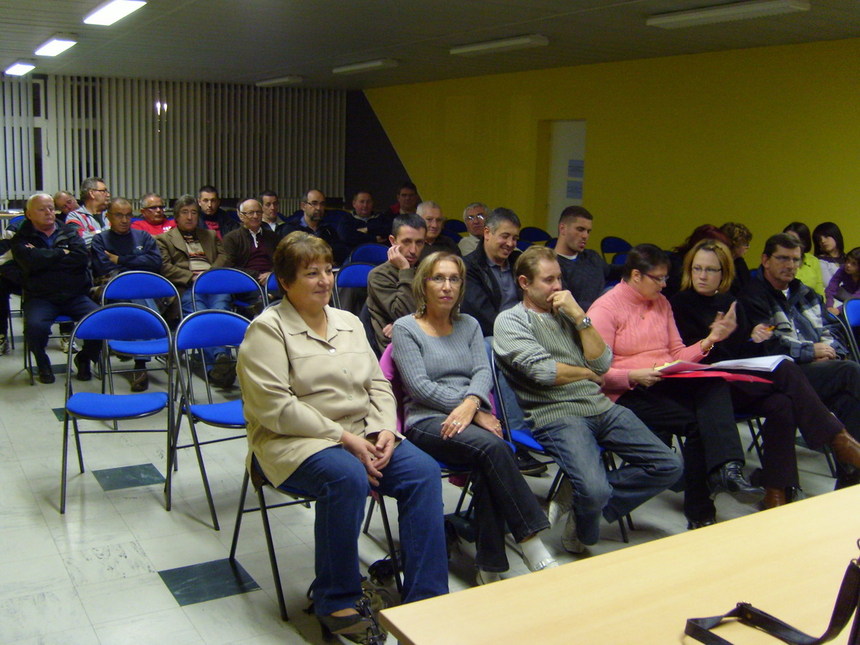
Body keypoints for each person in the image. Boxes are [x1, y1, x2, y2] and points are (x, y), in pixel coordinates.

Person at [236, 232, 448, 639]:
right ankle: (336, 598)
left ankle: (426, 595)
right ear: (285, 282)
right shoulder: (267, 330)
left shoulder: (348, 322)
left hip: (361, 433)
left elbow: (378, 384)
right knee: (346, 476)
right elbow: (275, 408)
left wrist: (384, 428)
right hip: (291, 442)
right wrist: (342, 438)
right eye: (311, 273)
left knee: (421, 471)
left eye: (328, 271)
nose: (324, 281)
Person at [494, 246, 683, 550]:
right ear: (524, 283)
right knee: (595, 490)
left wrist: (581, 317)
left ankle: (581, 502)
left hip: (600, 407)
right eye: (548, 280)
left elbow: (603, 363)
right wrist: (587, 373)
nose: (557, 287)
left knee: (669, 466)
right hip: (555, 414)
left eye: (559, 278)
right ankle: (586, 507)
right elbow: (544, 372)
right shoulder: (510, 321)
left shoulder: (570, 314)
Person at [393, 251, 557, 583]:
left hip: (469, 417)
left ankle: (490, 567)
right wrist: (474, 411)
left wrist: (471, 406)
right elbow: (420, 388)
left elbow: (483, 373)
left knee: (488, 464)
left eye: (454, 279)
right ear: (423, 284)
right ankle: (530, 540)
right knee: (496, 449)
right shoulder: (405, 328)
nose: (447, 286)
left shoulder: (469, 325)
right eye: (438, 278)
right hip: (426, 421)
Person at [671, 239, 860, 505]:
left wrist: (753, 339)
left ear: (723, 273)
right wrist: (712, 339)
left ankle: (776, 493)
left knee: (782, 403)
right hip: (706, 386)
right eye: (697, 268)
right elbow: (682, 357)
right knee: (790, 367)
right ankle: (838, 440)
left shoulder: (730, 301)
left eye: (711, 269)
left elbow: (741, 351)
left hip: (738, 378)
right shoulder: (678, 304)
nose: (703, 275)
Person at [588, 244, 762, 528]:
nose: (664, 284)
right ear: (636, 275)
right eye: (658, 278)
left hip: (662, 380)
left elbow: (677, 353)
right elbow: (597, 373)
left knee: (714, 382)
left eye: (665, 278)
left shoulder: (661, 303)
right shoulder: (605, 309)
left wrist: (709, 341)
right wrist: (633, 375)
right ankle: (701, 510)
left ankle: (729, 469)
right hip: (626, 390)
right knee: (698, 423)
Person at [738, 233, 860, 488]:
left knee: (848, 400)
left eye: (795, 259)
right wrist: (810, 351)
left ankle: (850, 479)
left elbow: (831, 330)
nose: (790, 265)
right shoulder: (752, 295)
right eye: (783, 258)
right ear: (765, 260)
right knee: (851, 372)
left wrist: (830, 351)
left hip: (819, 369)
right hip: (780, 373)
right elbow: (769, 344)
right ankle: (847, 451)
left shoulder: (806, 293)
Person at [11, 193, 100, 383]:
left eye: (51, 208)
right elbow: (29, 263)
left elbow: (81, 258)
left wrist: (42, 257)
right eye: (42, 209)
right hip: (40, 297)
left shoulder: (68, 231)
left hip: (74, 295)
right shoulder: (20, 238)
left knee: (100, 321)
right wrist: (61, 253)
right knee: (35, 327)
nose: (48, 212)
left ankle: (84, 358)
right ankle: (42, 362)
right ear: (29, 214)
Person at [156, 194, 235, 388]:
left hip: (212, 285)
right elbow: (164, 267)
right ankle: (220, 359)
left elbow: (225, 257)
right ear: (176, 216)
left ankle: (217, 365)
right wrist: (191, 277)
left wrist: (209, 274)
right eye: (185, 212)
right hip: (187, 287)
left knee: (220, 310)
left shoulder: (209, 235)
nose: (190, 217)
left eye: (193, 212)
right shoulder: (164, 240)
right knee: (201, 314)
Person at [91, 197, 163, 391]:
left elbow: (155, 263)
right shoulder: (100, 240)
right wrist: (137, 262)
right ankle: (157, 334)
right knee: (136, 292)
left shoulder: (143, 237)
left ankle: (140, 363)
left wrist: (120, 259)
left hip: (141, 289)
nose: (124, 220)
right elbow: (104, 268)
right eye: (118, 215)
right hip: (110, 289)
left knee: (138, 295)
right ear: (108, 217)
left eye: (128, 215)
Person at [366, 214, 426, 350]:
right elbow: (403, 313)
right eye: (407, 242)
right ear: (393, 241)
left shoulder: (427, 270)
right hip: (396, 347)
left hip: (428, 338)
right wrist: (405, 270)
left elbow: (443, 311)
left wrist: (407, 323)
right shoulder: (379, 275)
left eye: (419, 242)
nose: (413, 250)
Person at [461, 207, 522, 337]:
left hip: (524, 329)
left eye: (515, 238)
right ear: (487, 233)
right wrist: (516, 333)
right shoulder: (468, 267)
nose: (510, 243)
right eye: (505, 236)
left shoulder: (519, 262)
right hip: (492, 335)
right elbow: (483, 316)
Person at [554, 205, 621, 311]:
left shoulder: (592, 257)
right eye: (580, 229)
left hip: (605, 313)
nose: (585, 236)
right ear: (563, 229)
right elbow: (567, 306)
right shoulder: (552, 265)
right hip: (580, 317)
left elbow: (613, 271)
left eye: (588, 231)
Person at [222, 198, 279, 299]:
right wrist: (258, 275)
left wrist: (271, 274)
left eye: (258, 212)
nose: (255, 216)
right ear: (241, 216)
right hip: (246, 282)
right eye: (251, 213)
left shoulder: (273, 237)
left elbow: (281, 261)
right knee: (265, 298)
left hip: (271, 279)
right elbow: (230, 267)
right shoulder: (231, 238)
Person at [282, 189, 348, 265]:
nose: (319, 208)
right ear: (303, 206)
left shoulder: (328, 230)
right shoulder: (291, 229)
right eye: (314, 203)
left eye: (322, 204)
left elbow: (340, 254)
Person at [783, 222, 825, 296]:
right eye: (785, 239)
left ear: (803, 243)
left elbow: (819, 290)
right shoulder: (779, 260)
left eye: (793, 239)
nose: (788, 242)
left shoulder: (813, 260)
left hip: (810, 301)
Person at [67, 177, 110, 247]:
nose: (108, 195)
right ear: (92, 193)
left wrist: (94, 233)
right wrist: (108, 233)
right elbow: (80, 241)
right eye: (104, 191)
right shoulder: (75, 216)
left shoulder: (112, 214)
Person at [719, 221, 753, 294]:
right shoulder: (717, 265)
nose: (748, 247)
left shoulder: (740, 263)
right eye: (745, 243)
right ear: (734, 244)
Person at [825, 247, 860, 315]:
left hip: (856, 299)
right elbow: (833, 285)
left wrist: (839, 310)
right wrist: (829, 305)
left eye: (854, 264)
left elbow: (857, 297)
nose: (848, 265)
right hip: (847, 294)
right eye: (848, 260)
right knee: (830, 290)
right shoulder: (843, 268)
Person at [813, 221, 845, 287]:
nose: (823, 241)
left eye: (826, 236)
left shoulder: (849, 258)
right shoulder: (819, 261)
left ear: (835, 236)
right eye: (819, 239)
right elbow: (829, 284)